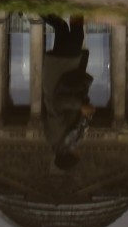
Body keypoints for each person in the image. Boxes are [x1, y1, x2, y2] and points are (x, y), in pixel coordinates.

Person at [41, 14, 95, 171]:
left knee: (76, 35)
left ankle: (77, 1)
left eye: (77, 154)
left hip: (60, 75)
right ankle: (36, 4)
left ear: (68, 155)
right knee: (62, 29)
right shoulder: (68, 138)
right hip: (63, 74)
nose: (79, 151)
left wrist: (80, 107)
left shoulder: (56, 136)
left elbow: (58, 103)